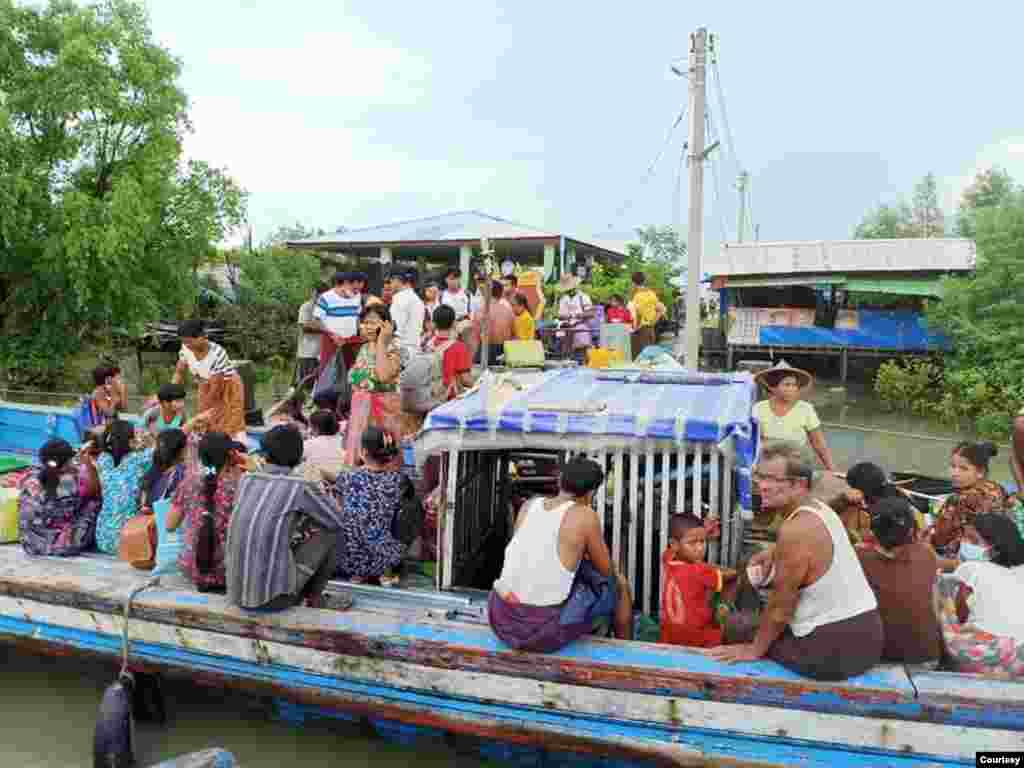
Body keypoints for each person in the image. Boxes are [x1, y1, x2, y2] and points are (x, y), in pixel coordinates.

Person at [710, 443, 883, 681]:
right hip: (867, 638)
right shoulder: (820, 508)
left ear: (799, 485)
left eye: (771, 479)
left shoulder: (796, 530)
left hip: (834, 650)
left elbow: (781, 608)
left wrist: (755, 649)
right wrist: (775, 551)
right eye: (759, 476)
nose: (761, 485)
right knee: (755, 620)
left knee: (737, 626)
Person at [488, 456, 633, 653]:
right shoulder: (585, 515)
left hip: (501, 618)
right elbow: (606, 571)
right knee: (620, 584)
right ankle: (626, 651)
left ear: (559, 480)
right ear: (591, 492)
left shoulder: (528, 505)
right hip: (541, 631)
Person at [227, 426, 344, 610]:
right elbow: (336, 520)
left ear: (264, 454)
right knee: (332, 532)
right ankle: (313, 597)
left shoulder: (246, 480)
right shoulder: (300, 486)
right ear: (299, 456)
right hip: (273, 600)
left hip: (235, 594)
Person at [857, 496, 943, 665]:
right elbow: (935, 608)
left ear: (872, 530)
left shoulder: (858, 557)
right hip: (927, 655)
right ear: (911, 530)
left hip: (880, 658)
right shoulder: (926, 553)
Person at [937, 513, 1024, 676]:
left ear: (994, 545)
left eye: (973, 539)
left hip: (985, 657)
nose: (965, 543)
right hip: (1020, 657)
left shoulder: (971, 569)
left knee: (941, 587)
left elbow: (960, 616)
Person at [168, 432, 245, 592]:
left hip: (191, 567)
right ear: (231, 455)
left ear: (201, 456)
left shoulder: (189, 481)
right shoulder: (241, 484)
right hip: (228, 572)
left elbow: (170, 525)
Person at [333, 427, 406, 585]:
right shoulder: (398, 481)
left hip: (347, 560)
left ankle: (357, 575)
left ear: (364, 452)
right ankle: (381, 573)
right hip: (383, 560)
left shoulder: (346, 477)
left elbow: (339, 511)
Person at [660, 513, 736, 648]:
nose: (700, 548)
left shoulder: (668, 558)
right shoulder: (699, 571)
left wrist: (702, 533)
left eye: (702, 541)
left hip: (670, 637)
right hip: (696, 639)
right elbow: (730, 574)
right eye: (693, 543)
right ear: (674, 544)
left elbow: (686, 545)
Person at [343, 303, 403, 467]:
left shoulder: (394, 347)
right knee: (360, 455)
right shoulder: (364, 347)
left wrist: (382, 341)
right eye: (365, 322)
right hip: (362, 410)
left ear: (386, 324)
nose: (368, 327)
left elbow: (383, 376)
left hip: (383, 411)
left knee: (382, 455)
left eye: (373, 322)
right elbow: (354, 380)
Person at [18, 438, 100, 557]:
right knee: (94, 503)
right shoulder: (69, 482)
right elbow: (93, 490)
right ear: (65, 463)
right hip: (59, 546)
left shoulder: (30, 476)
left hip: (30, 543)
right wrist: (87, 464)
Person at [752, 360, 835, 471]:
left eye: (794, 385)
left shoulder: (806, 409)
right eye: (787, 385)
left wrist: (831, 469)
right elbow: (753, 441)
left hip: (796, 461)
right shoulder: (758, 408)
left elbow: (818, 443)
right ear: (773, 387)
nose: (792, 389)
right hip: (768, 460)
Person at [931, 442, 1010, 558]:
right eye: (953, 466)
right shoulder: (998, 488)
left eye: (963, 469)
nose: (955, 473)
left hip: (969, 556)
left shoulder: (958, 499)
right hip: (999, 551)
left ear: (980, 472)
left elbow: (940, 538)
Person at [173, 320, 247, 441]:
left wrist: (202, 412)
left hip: (228, 385)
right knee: (206, 420)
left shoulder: (217, 353)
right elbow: (179, 372)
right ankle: (209, 443)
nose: (187, 345)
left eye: (189, 342)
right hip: (205, 383)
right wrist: (169, 394)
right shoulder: (185, 348)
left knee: (231, 420)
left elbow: (216, 389)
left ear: (202, 336)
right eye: (184, 342)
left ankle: (238, 444)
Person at [92, 420, 154, 555]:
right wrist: (150, 440)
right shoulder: (139, 460)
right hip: (128, 539)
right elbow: (169, 444)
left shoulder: (103, 460)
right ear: (131, 441)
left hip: (103, 538)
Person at [313, 271, 363, 375]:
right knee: (329, 374)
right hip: (331, 342)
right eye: (352, 287)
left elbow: (357, 318)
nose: (355, 290)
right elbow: (317, 321)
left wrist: (361, 332)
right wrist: (332, 335)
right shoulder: (326, 297)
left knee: (352, 372)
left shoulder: (357, 296)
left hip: (351, 342)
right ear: (345, 284)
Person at [140, 428, 189, 519]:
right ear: (182, 450)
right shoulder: (181, 473)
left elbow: (144, 505)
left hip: (149, 520)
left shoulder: (153, 470)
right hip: (166, 521)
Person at [428, 305, 474, 399]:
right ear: (453, 323)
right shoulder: (459, 347)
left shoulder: (427, 345)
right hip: (450, 398)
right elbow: (466, 380)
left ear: (434, 323)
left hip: (430, 396)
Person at [473, 280, 515, 364]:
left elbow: (475, 337)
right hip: (503, 351)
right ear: (501, 294)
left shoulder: (480, 312)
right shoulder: (509, 311)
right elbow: (513, 335)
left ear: (486, 293)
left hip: (485, 351)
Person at [388, 267, 425, 360]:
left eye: (391, 280)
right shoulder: (417, 299)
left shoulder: (400, 298)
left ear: (397, 279)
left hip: (400, 350)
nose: (390, 283)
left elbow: (395, 329)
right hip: (415, 350)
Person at [296, 282, 328, 386]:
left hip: (322, 353)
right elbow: (305, 327)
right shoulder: (306, 307)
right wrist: (325, 328)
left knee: (320, 384)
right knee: (306, 384)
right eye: (315, 294)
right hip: (307, 353)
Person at [556, 274, 594, 359]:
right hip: (566, 326)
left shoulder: (583, 297)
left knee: (583, 342)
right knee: (563, 335)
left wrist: (579, 315)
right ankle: (566, 358)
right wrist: (564, 317)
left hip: (580, 324)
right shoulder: (563, 299)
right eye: (567, 290)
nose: (569, 291)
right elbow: (560, 315)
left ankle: (585, 359)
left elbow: (591, 313)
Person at [629, 272, 659, 356]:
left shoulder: (637, 296)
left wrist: (635, 328)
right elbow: (660, 310)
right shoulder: (652, 294)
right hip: (650, 329)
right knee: (649, 356)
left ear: (633, 283)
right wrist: (653, 322)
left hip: (641, 330)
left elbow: (638, 314)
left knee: (640, 357)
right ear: (644, 281)